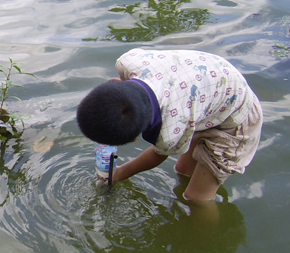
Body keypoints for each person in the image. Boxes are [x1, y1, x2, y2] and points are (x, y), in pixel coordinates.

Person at [75, 48, 262, 201]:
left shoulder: (170, 132)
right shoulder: (129, 61)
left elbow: (158, 155)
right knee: (183, 170)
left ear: (134, 138)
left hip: (237, 119)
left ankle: (207, 238)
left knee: (195, 197)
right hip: (209, 88)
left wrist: (119, 174)